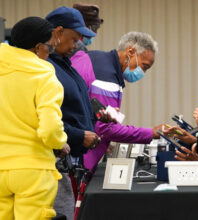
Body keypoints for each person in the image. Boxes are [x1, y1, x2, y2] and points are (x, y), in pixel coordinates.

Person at [0, 17, 69, 220]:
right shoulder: (44, 75)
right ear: (38, 48)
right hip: (33, 169)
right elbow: (50, 129)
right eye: (49, 49)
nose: (49, 56)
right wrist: (60, 142)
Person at [45, 7, 108, 220]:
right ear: (58, 32)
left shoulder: (65, 64)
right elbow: (46, 120)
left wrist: (97, 115)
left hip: (71, 159)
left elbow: (73, 105)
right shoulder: (46, 68)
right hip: (54, 159)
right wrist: (79, 135)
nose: (77, 45)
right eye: (74, 39)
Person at [71, 31, 162, 171]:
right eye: (144, 66)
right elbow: (105, 128)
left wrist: (104, 142)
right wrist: (151, 133)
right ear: (130, 52)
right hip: (75, 155)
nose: (143, 73)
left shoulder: (95, 58)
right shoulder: (106, 78)